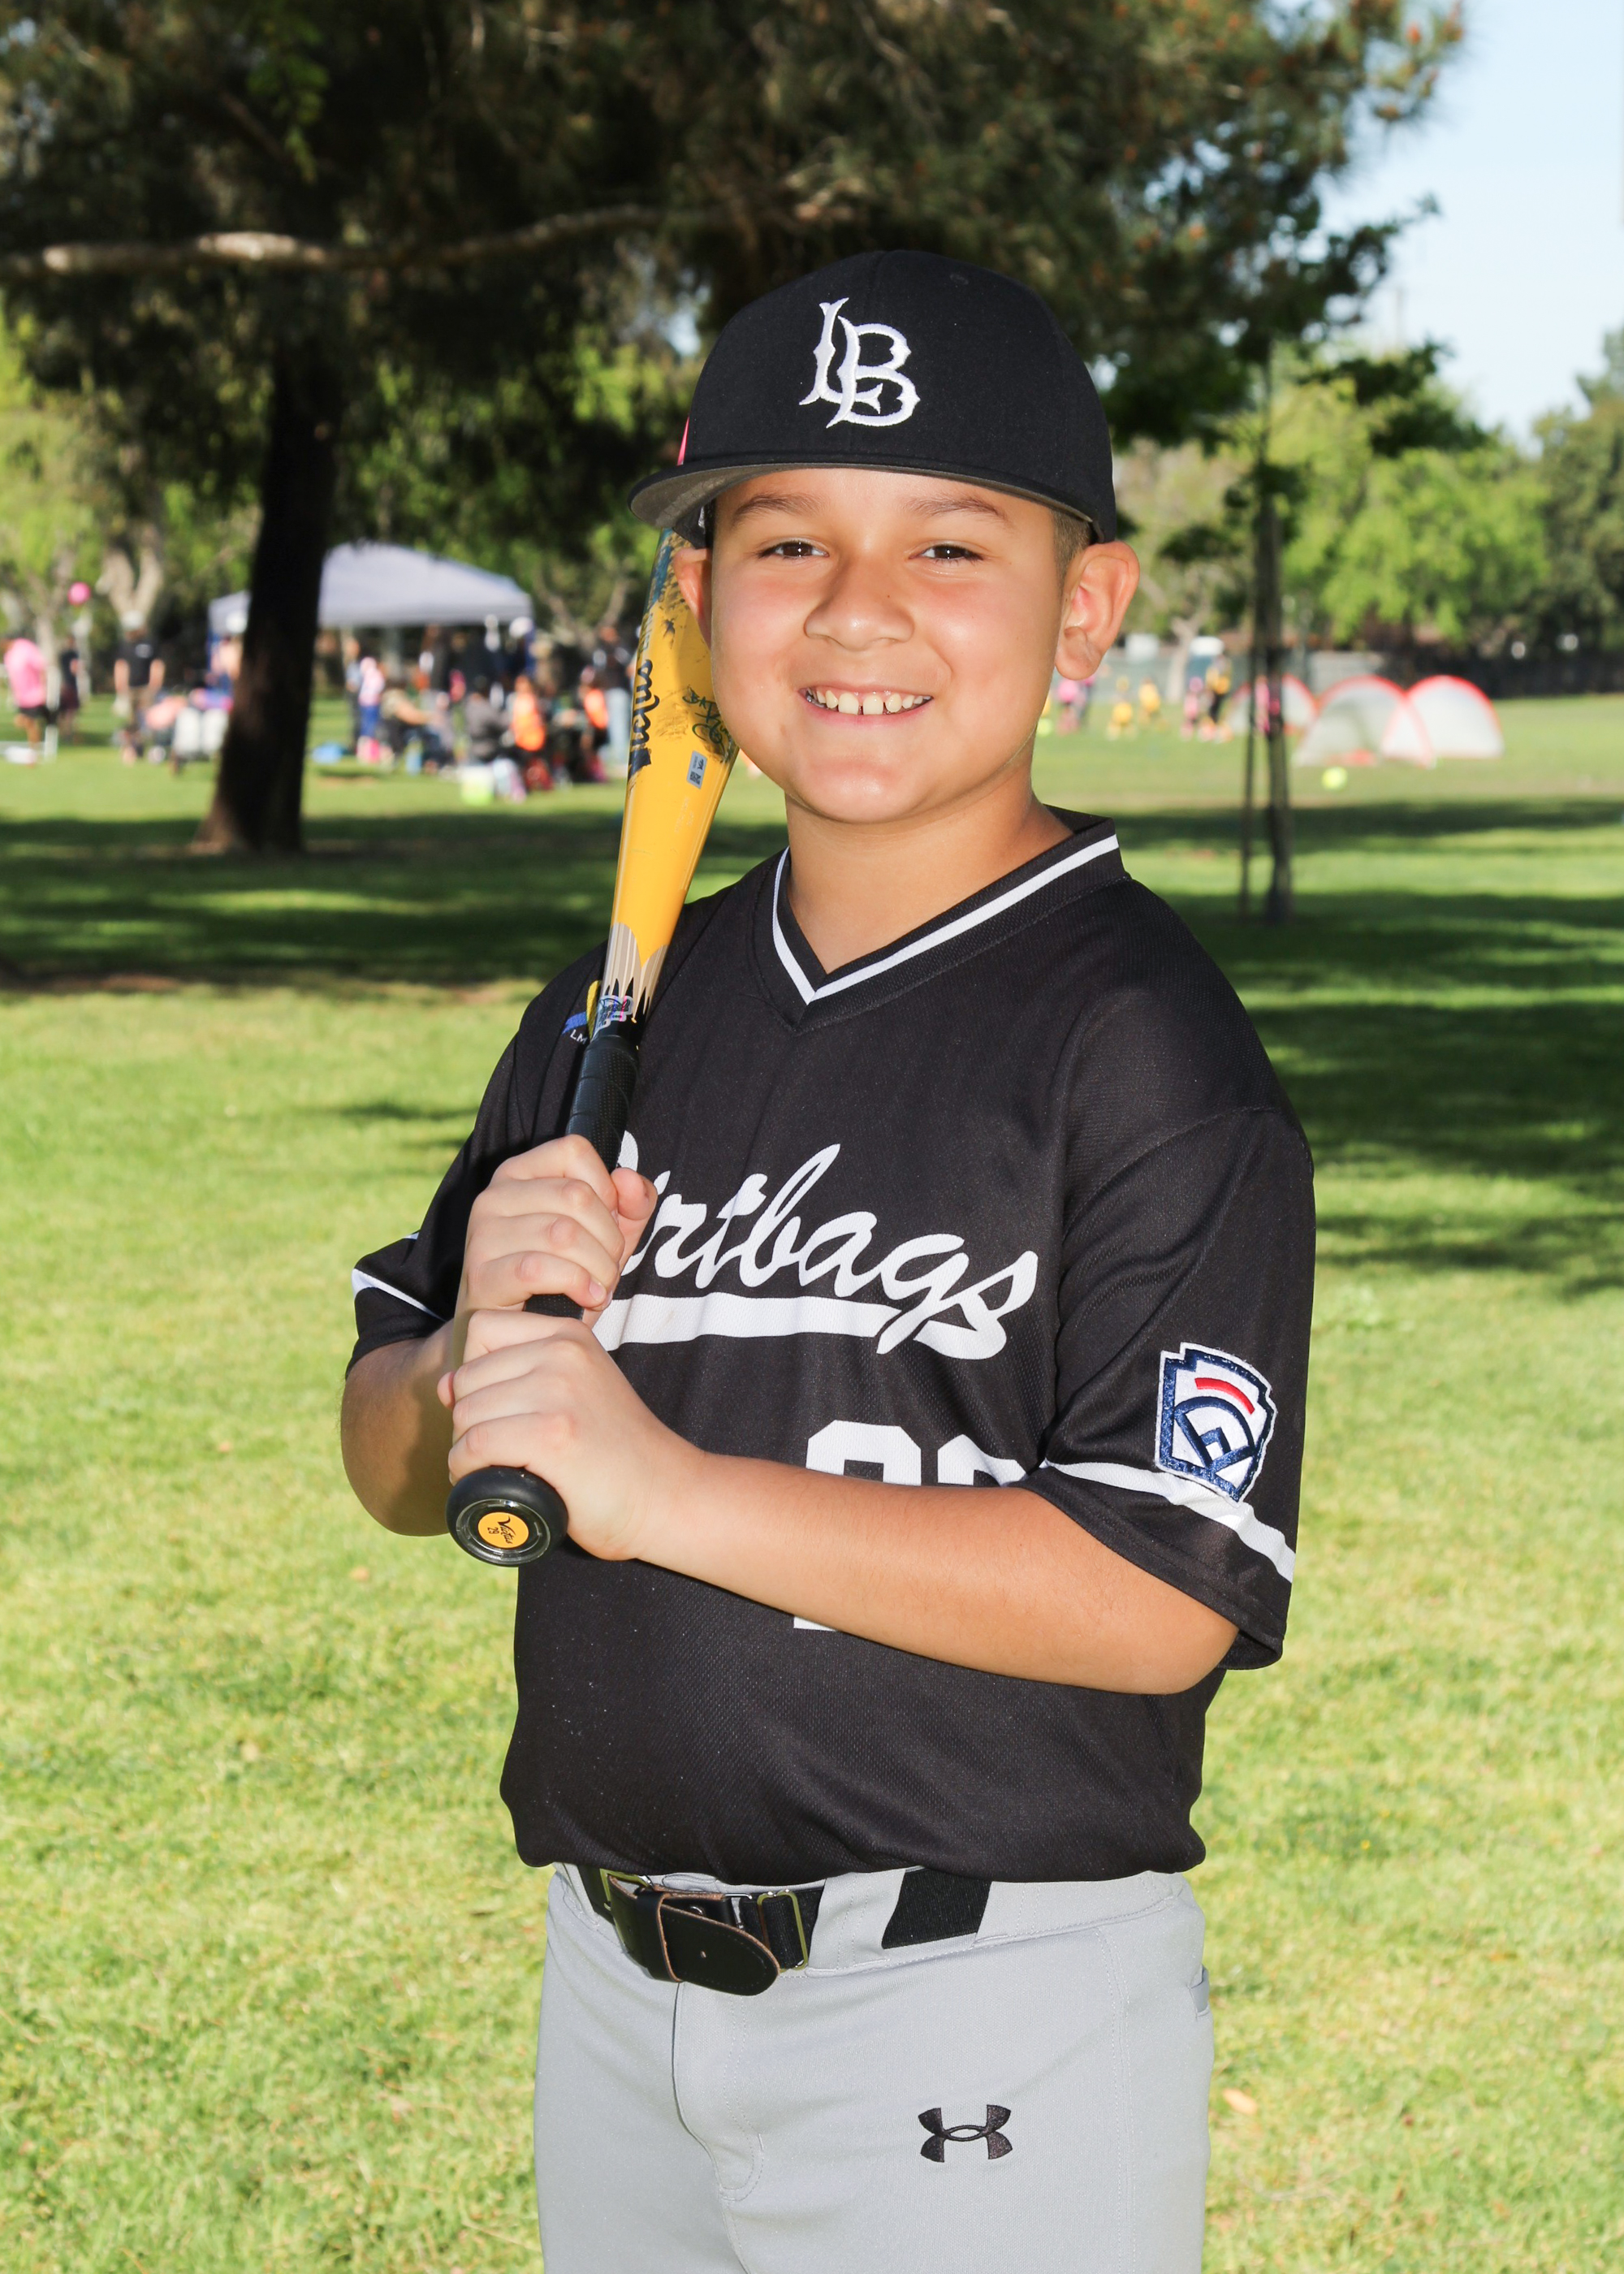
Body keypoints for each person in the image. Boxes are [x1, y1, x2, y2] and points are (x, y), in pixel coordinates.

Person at [340, 250, 1313, 2274]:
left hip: (977, 1996)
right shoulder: (620, 1008)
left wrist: (660, 1488)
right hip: (613, 1987)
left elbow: (1158, 1593)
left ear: (1087, 606)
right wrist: (464, 1362)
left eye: (949, 544)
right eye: (786, 541)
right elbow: (393, 1459)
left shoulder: (1134, 1040)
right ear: (697, 601)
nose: (860, 610)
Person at [590, 616, 633, 772]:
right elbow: (598, 670)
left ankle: (622, 758)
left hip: (619, 690)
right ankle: (620, 758)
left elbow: (627, 664)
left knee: (620, 724)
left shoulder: (619, 648)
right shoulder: (602, 650)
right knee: (615, 724)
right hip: (608, 692)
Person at [3, 633, 49, 748]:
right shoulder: (8, 655)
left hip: (34, 695)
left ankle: (34, 748)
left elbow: (41, 667)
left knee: (29, 722)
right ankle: (34, 748)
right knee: (26, 723)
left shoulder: (25, 648)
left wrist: (44, 688)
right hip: (22, 698)